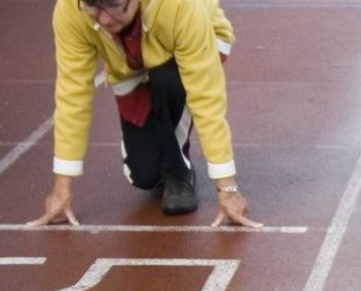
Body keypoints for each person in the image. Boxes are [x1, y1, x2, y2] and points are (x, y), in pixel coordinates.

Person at [33, 0, 262, 227]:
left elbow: (206, 99)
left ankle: (178, 171)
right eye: (93, 6)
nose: (103, 18)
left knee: (165, 77)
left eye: (114, 6)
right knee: (145, 177)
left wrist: (227, 188)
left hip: (198, 45)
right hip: (131, 67)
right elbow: (73, 94)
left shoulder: (180, 7)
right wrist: (62, 186)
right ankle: (164, 147)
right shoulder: (70, 10)